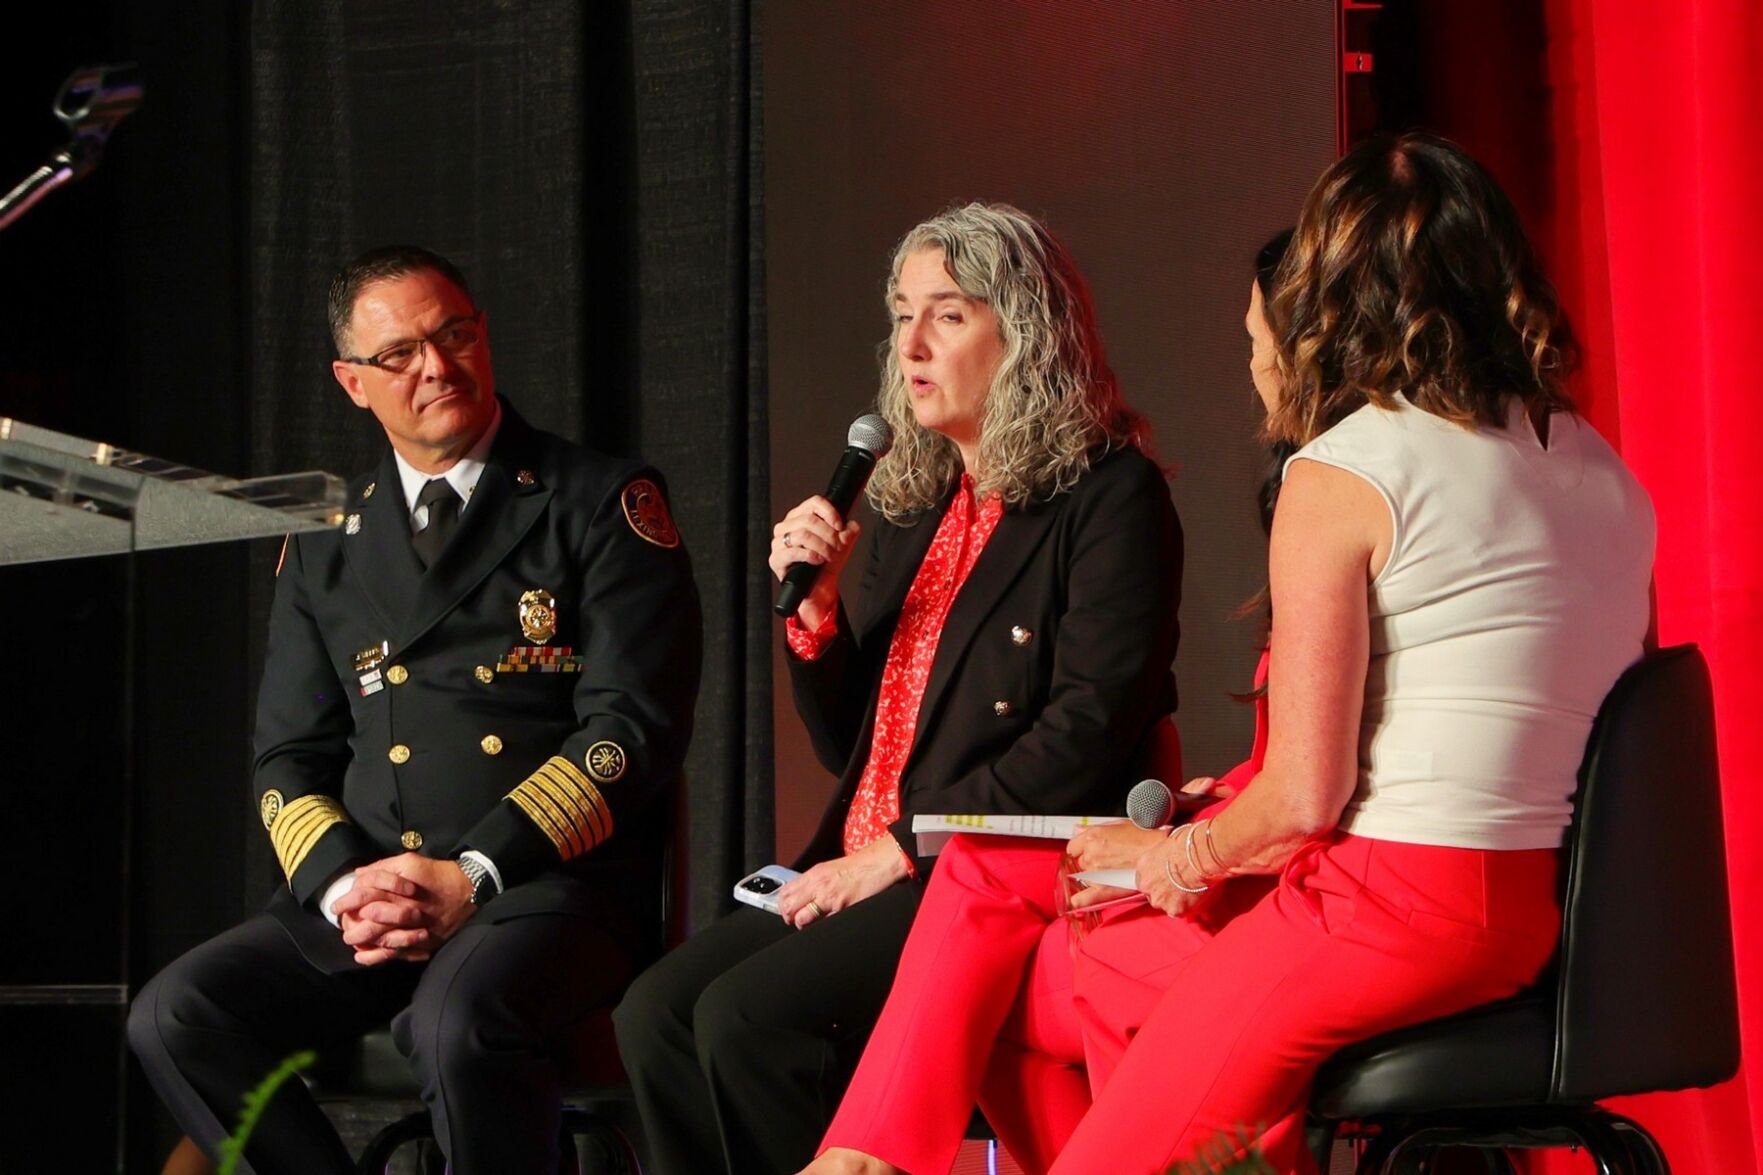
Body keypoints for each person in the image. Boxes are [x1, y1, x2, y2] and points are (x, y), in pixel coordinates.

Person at [806, 132, 1657, 1175]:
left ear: (1335, 298)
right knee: (1007, 937)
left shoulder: (1348, 468)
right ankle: (861, 1158)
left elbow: (1304, 796)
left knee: (1018, 965)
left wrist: (1178, 853)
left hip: (1373, 910)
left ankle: (868, 1158)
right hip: (1524, 908)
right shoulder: (1598, 468)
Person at [612, 202, 1183, 1173]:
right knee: (654, 1014)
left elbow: (1085, 729)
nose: (910, 343)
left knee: (749, 1018)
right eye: (899, 313)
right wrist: (817, 619)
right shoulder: (913, 507)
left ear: (1026, 332)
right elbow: (855, 749)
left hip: (993, 870)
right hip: (865, 858)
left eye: (947, 314)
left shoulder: (1109, 497)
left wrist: (903, 845)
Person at [127, 245, 702, 1175]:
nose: (437, 366)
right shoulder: (324, 547)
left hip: (542, 895)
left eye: (455, 335)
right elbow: (289, 755)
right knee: (176, 1012)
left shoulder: (596, 502)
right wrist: (349, 889)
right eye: (400, 354)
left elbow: (631, 731)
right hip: (368, 903)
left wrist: (472, 871)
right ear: (352, 383)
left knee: (453, 1019)